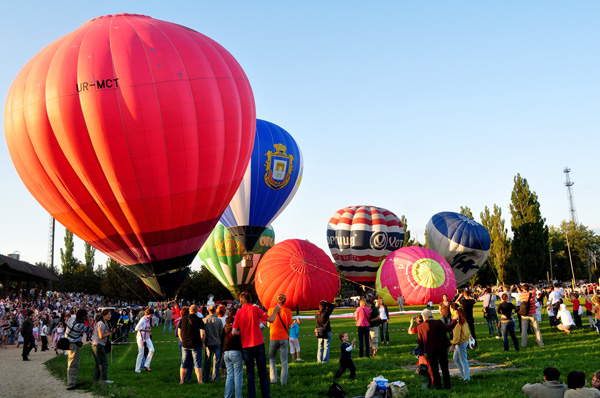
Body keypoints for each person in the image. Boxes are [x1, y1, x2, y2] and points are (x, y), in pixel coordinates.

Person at [232, 291, 281, 398]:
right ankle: (266, 395)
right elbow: (271, 319)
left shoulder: (239, 313)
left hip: (246, 346)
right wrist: (276, 310)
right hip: (258, 343)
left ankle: (251, 395)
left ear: (240, 301)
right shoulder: (255, 309)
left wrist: (243, 331)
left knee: (250, 373)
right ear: (250, 299)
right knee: (262, 372)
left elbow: (234, 332)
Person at [417, 309, 456, 390]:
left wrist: (421, 353)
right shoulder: (439, 322)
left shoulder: (420, 327)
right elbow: (448, 329)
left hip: (430, 350)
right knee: (444, 368)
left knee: (434, 369)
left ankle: (438, 386)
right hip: (441, 348)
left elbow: (420, 342)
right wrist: (454, 321)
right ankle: (447, 386)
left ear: (424, 317)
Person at [267, 294, 293, 385]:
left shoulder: (270, 310)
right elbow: (290, 325)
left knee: (272, 358)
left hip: (273, 337)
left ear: (276, 301)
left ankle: (273, 379)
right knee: (284, 360)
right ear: (284, 301)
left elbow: (269, 324)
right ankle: (283, 381)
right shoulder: (288, 311)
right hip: (284, 337)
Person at [178, 304, 205, 384]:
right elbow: (202, 333)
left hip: (185, 344)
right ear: (197, 311)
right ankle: (200, 381)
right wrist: (202, 342)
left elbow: (179, 332)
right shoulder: (199, 319)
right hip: (196, 344)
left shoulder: (183, 319)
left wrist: (182, 340)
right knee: (197, 363)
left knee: (184, 363)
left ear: (190, 310)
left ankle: (182, 381)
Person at [65, 309, 91, 390]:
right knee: (73, 365)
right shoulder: (79, 326)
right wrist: (88, 319)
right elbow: (89, 328)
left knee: (70, 363)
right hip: (74, 345)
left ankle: (72, 381)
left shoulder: (71, 320)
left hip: (67, 343)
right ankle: (71, 384)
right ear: (83, 317)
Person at [92, 309, 116, 384]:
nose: (109, 316)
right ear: (103, 315)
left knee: (98, 363)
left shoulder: (106, 323)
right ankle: (104, 380)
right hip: (98, 344)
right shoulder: (101, 323)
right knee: (103, 363)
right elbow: (101, 336)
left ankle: (95, 380)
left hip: (98, 344)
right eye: (108, 314)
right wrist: (110, 332)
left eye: (110, 314)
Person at [517, 283, 544, 347]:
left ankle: (523, 344)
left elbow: (520, 291)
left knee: (524, 330)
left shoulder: (521, 296)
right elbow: (534, 287)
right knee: (536, 329)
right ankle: (540, 343)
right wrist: (528, 284)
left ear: (523, 289)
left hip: (524, 314)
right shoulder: (532, 294)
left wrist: (521, 287)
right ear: (529, 288)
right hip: (533, 313)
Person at [223, 314, 243, 398]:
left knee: (229, 375)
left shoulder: (225, 329)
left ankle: (228, 395)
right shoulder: (237, 330)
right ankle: (238, 395)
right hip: (236, 351)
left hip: (226, 352)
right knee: (238, 375)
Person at [203, 304, 224, 382]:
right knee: (216, 361)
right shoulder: (218, 320)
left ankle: (205, 377)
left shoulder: (204, 320)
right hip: (217, 342)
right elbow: (221, 332)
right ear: (215, 311)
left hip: (208, 342)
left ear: (208, 311)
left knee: (207, 360)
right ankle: (214, 378)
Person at [449, 308, 470, 382]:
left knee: (463, 360)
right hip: (463, 341)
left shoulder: (458, 323)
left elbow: (457, 337)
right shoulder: (464, 321)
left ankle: (467, 377)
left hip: (460, 343)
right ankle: (464, 374)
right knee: (456, 358)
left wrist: (452, 345)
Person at [135, 308, 155, 373]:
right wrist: (146, 330)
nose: (152, 316)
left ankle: (146, 365)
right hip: (141, 337)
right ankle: (137, 369)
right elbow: (136, 328)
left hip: (147, 336)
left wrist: (148, 329)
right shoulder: (143, 320)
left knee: (152, 350)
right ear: (148, 314)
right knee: (141, 353)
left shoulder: (148, 319)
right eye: (151, 315)